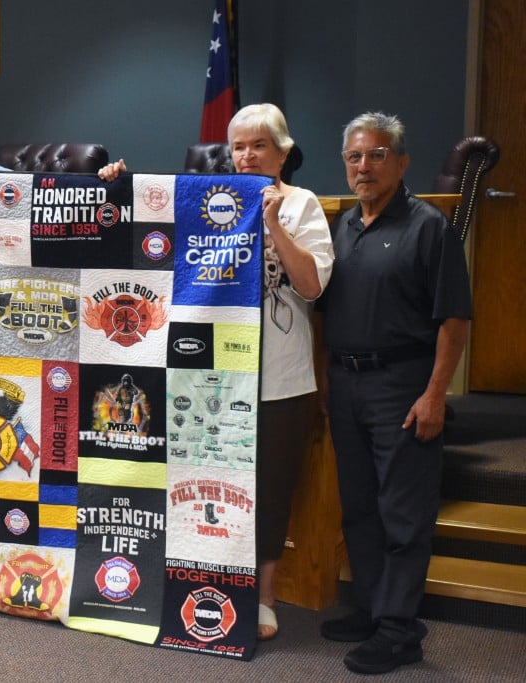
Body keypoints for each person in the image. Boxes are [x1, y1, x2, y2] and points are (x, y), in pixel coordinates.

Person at [97, 103, 334, 642]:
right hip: (205, 372)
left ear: (283, 153)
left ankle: (264, 597)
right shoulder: (208, 199)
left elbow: (311, 285)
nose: (247, 156)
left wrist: (271, 223)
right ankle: (201, 579)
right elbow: (149, 235)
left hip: (279, 377)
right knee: (201, 483)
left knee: (269, 489)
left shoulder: (301, 203)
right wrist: (118, 187)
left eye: (260, 146)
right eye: (239, 146)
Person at [319, 112, 472, 675]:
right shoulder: (342, 227)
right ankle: (371, 608)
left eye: (378, 155)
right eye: (355, 156)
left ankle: (400, 630)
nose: (365, 166)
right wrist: (328, 383)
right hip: (347, 384)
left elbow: (454, 320)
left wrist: (435, 395)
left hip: (403, 386)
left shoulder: (428, 227)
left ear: (401, 162)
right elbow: (326, 312)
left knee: (403, 513)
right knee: (360, 508)